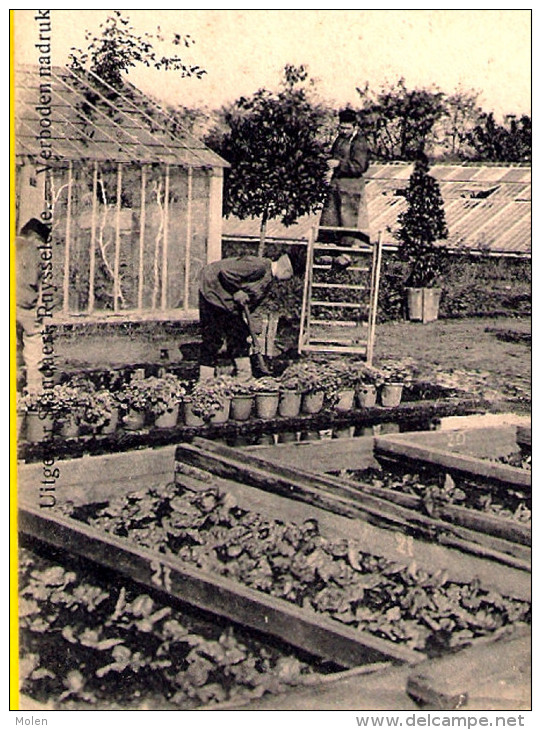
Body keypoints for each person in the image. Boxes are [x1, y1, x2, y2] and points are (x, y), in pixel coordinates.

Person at [198, 253, 293, 380]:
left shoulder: (269, 280)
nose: (287, 280)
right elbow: (225, 272)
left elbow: (253, 304)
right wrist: (236, 291)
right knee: (212, 337)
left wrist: (254, 325)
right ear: (286, 270)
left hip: (228, 301)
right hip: (212, 290)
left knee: (239, 333)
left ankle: (244, 377)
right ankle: (205, 380)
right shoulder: (258, 266)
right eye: (289, 277)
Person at [319, 108, 370, 246]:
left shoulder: (359, 142)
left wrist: (339, 164)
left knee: (347, 221)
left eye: (347, 128)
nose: (344, 131)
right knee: (330, 218)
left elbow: (360, 166)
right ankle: (328, 250)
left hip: (351, 188)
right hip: (336, 184)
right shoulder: (339, 139)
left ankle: (346, 252)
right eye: (341, 128)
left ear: (355, 127)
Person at [16, 218, 51, 391]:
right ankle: (34, 388)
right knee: (33, 340)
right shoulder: (31, 250)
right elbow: (32, 279)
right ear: (36, 238)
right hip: (23, 305)